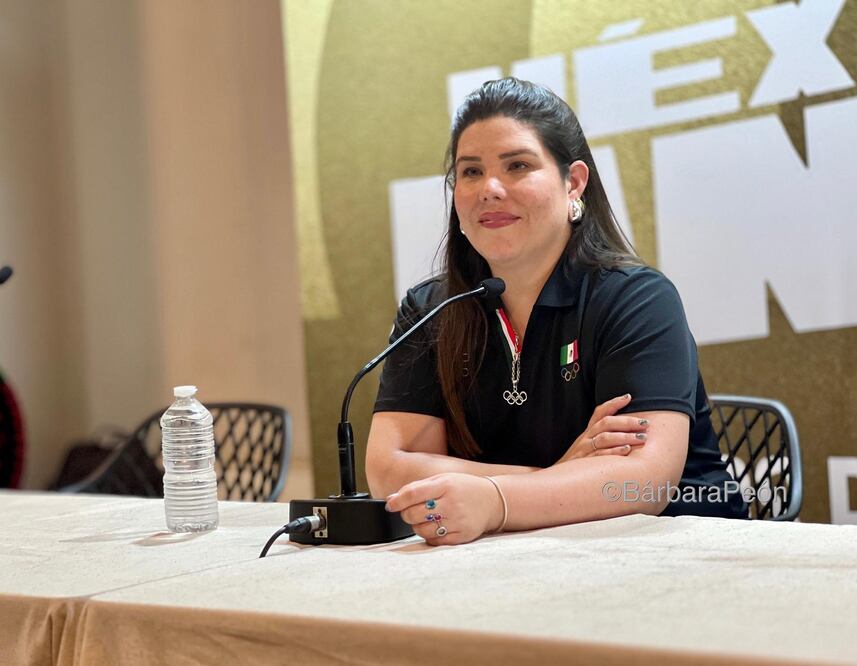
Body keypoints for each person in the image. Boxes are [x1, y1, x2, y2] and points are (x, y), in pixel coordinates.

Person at [369, 78, 748, 546]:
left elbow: (644, 481)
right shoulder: (431, 310)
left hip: (678, 551)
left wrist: (495, 500)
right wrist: (558, 475)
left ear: (574, 183)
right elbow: (390, 468)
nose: (489, 188)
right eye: (470, 172)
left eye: (518, 165)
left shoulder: (637, 298)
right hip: (517, 557)